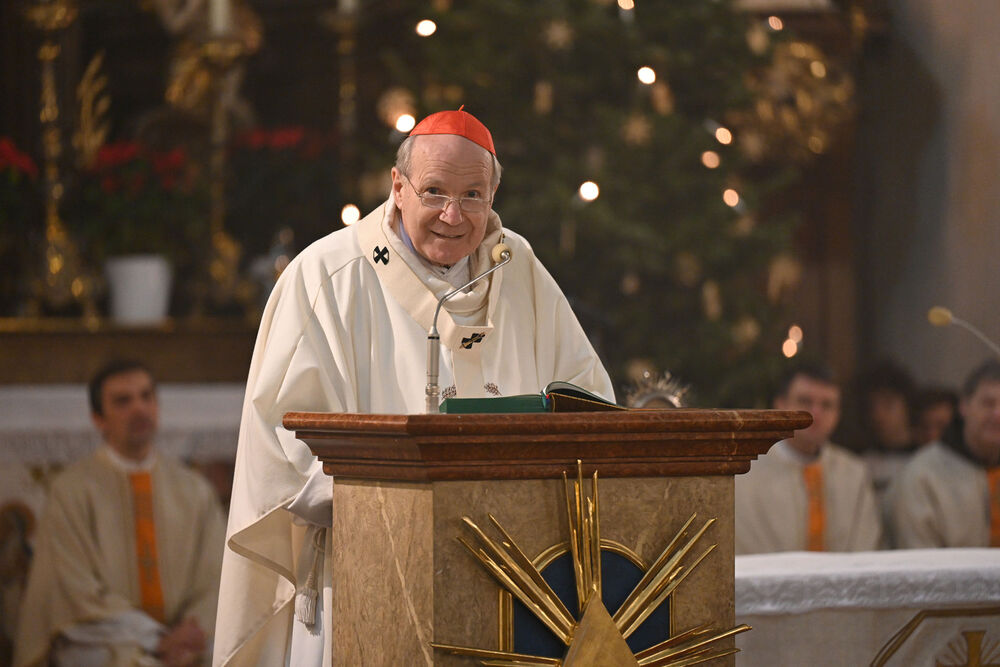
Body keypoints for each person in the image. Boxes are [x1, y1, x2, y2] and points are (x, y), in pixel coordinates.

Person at [213, 109, 614, 666]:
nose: (453, 215)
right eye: (434, 192)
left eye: (472, 196)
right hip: (372, 564)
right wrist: (401, 490)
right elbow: (281, 442)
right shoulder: (327, 274)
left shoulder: (517, 267)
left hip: (510, 570)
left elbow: (588, 404)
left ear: (493, 196)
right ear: (398, 188)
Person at [14, 360, 226, 667]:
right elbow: (74, 590)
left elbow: (217, 576)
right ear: (98, 418)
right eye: (123, 401)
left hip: (187, 639)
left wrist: (191, 632)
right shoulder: (71, 490)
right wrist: (155, 638)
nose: (139, 409)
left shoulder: (194, 490)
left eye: (146, 396)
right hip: (108, 638)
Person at [735, 363, 881, 554]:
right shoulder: (744, 473)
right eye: (805, 402)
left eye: (827, 405)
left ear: (838, 414)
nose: (816, 414)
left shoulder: (854, 474)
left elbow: (865, 550)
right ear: (780, 405)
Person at [890, 359, 1000, 548]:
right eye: (988, 404)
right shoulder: (920, 477)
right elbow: (920, 560)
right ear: (964, 406)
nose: (997, 414)